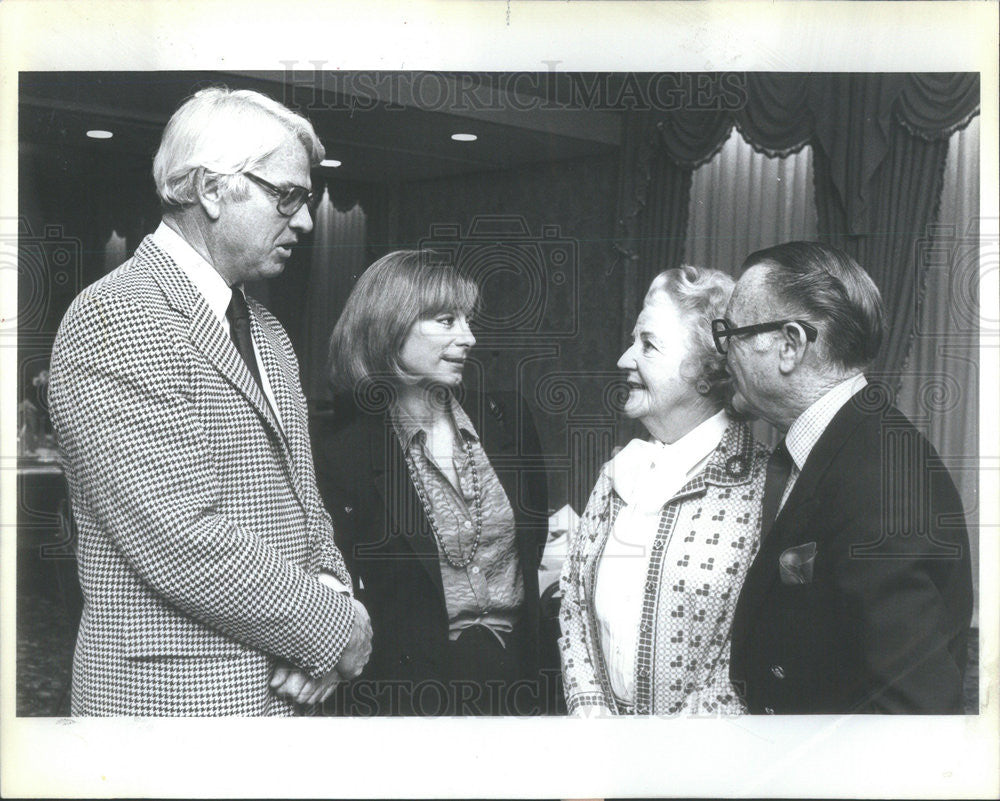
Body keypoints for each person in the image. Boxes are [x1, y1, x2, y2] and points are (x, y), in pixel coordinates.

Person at [47, 87, 372, 716]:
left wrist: (332, 594)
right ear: (212, 190)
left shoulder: (267, 330)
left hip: (284, 692)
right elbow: (180, 540)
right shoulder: (117, 317)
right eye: (288, 196)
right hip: (174, 707)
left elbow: (305, 502)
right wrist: (336, 627)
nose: (304, 221)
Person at [720, 241, 973, 714]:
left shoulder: (882, 482)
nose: (722, 355)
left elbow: (912, 715)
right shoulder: (844, 444)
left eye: (729, 332)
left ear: (790, 345)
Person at [311, 250, 550, 716]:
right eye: (446, 320)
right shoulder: (344, 448)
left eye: (468, 319)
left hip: (520, 676)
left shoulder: (508, 417)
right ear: (389, 326)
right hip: (412, 693)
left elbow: (531, 541)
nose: (470, 337)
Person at [559, 265, 768, 716]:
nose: (623, 359)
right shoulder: (621, 472)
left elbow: (760, 653)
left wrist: (659, 751)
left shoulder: (761, 487)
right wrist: (592, 712)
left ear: (707, 371)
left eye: (648, 344)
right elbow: (574, 602)